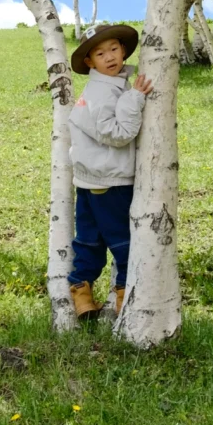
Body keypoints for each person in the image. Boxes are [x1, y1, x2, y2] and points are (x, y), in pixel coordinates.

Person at [66, 22, 153, 320]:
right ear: (89, 62)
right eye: (100, 53)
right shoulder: (104, 93)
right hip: (110, 179)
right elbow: (116, 133)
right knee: (123, 240)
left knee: (89, 239)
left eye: (114, 49)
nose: (110, 57)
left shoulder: (100, 88)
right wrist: (135, 98)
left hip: (89, 179)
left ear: (124, 51)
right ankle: (123, 296)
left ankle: (81, 294)